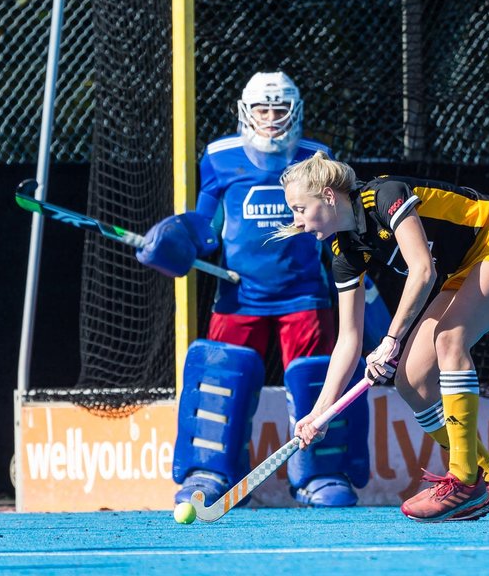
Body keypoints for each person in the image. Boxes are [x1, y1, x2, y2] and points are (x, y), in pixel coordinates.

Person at [139, 72, 382, 509]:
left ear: (296, 111)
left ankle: (323, 474)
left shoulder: (317, 157)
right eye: (262, 109)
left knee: (318, 375)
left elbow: (339, 227)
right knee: (219, 378)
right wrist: (180, 238)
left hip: (305, 295)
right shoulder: (219, 157)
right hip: (238, 297)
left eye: (279, 109)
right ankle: (211, 472)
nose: (271, 119)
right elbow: (205, 224)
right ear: (245, 111)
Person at [277, 153, 489, 522]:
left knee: (450, 340)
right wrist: (320, 413)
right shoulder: (345, 250)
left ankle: (464, 481)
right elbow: (349, 340)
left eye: (299, 209)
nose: (296, 222)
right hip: (466, 268)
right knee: (411, 380)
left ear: (327, 196)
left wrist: (390, 338)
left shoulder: (384, 195)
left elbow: (423, 270)